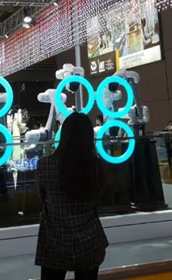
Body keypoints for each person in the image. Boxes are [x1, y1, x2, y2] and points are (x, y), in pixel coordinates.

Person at [35, 113, 108, 280]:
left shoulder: (45, 165)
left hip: (54, 241)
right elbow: (99, 200)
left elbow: (40, 198)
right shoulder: (97, 166)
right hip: (89, 241)